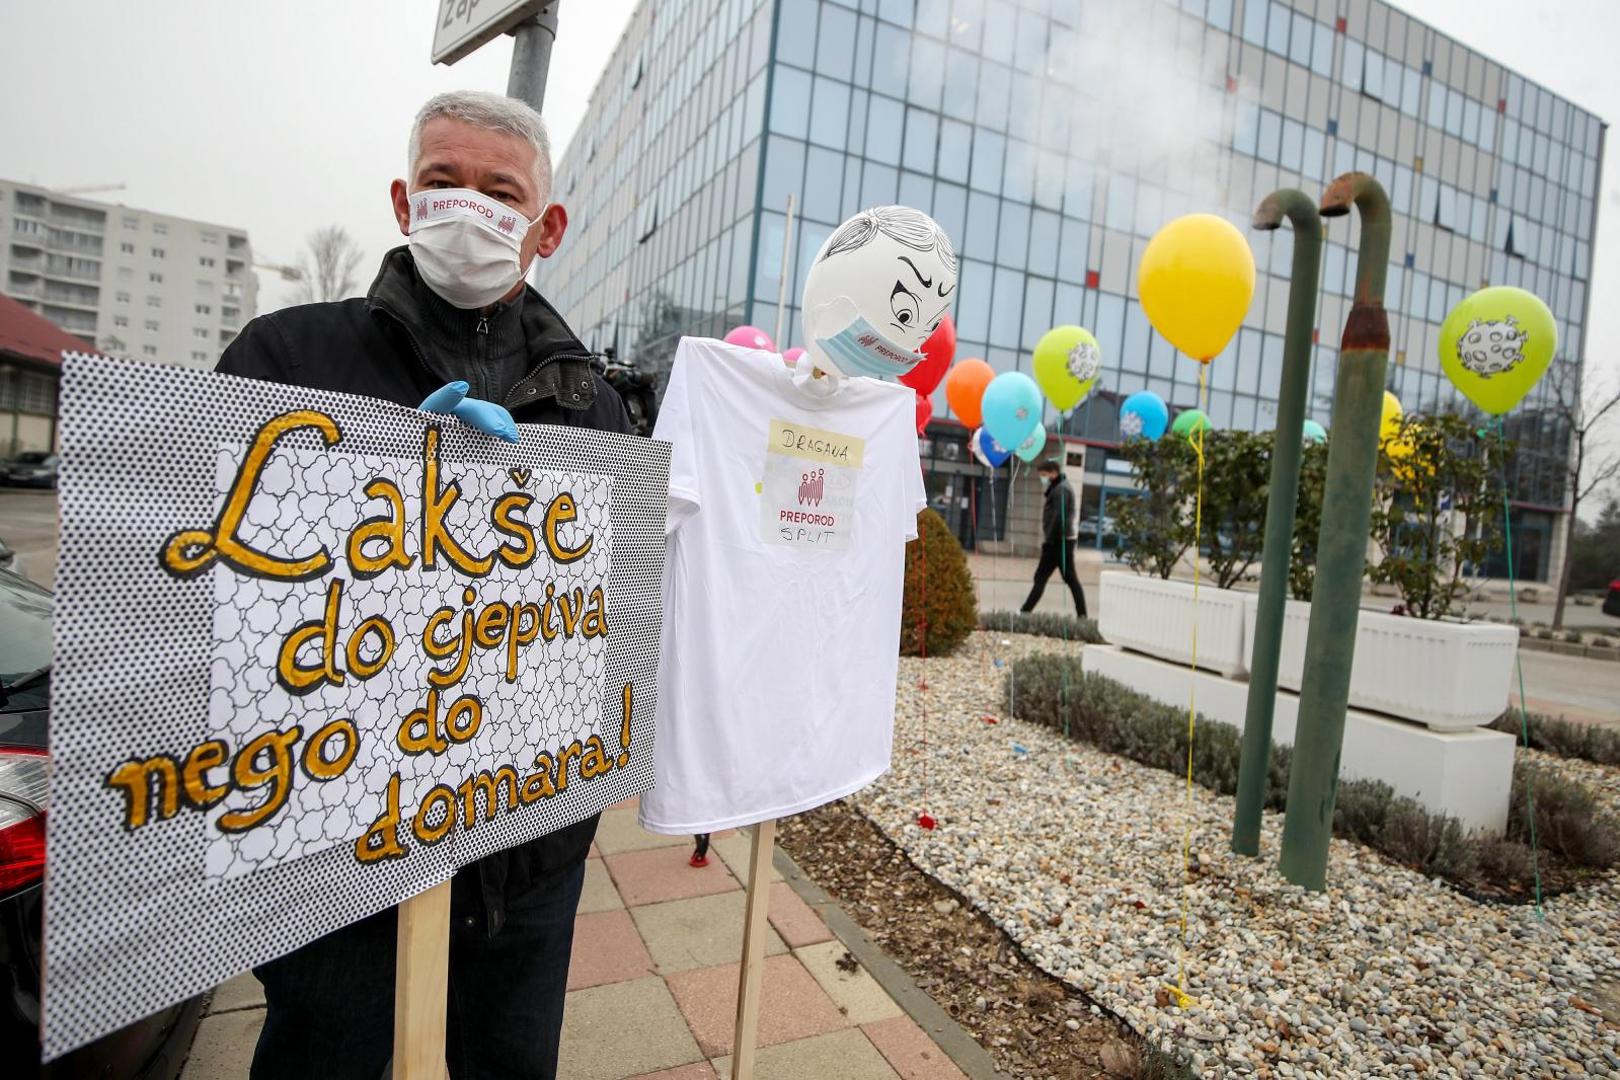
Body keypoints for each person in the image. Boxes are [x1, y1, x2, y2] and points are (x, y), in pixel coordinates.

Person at [216, 90, 632, 1080]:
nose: (467, 209)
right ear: (404, 202)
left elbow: (618, 621)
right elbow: (200, 601)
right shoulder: (284, 360)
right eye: (444, 183)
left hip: (523, 864)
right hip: (337, 868)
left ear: (548, 226)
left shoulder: (599, 408)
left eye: (501, 191)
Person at [1020, 458, 1087, 618]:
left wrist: (1049, 540)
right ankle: (1025, 611)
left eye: (1044, 475)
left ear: (1053, 473)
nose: (1043, 479)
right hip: (1060, 541)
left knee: (1060, 578)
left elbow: (1059, 517)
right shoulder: (1058, 488)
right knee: (1051, 577)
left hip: (1059, 541)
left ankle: (1025, 612)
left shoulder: (1061, 490)